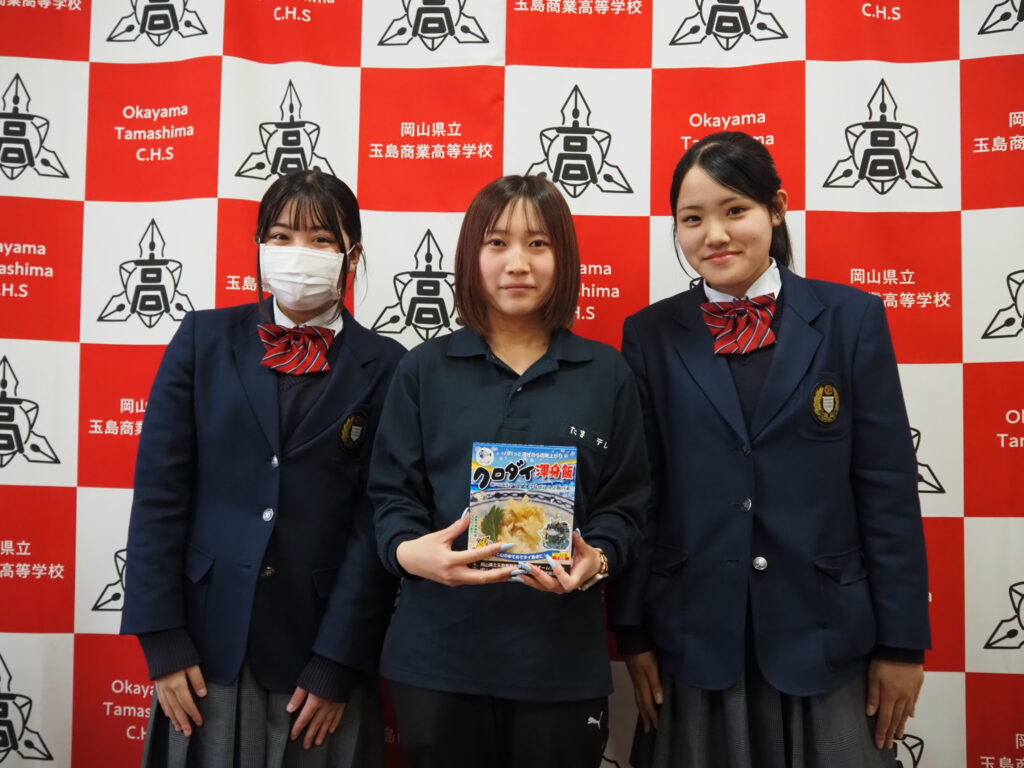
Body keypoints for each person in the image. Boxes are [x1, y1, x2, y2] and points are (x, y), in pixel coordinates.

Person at [607, 131, 931, 768]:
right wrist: (633, 632)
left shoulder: (851, 318)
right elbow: (643, 491)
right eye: (692, 219)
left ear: (776, 208)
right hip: (694, 635)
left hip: (826, 632)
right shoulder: (650, 334)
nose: (715, 235)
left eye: (735, 210)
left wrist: (902, 645)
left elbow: (887, 489)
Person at [121, 169, 405, 767]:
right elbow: (159, 495)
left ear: (352, 255)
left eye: (321, 240)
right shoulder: (203, 339)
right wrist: (162, 639)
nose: (299, 253)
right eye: (281, 236)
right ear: (259, 247)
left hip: (318, 653)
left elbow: (376, 524)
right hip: (205, 646)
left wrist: (338, 661)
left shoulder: (387, 366)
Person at [369, 174, 650, 768]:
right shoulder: (423, 370)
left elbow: (627, 504)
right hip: (437, 660)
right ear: (471, 257)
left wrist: (598, 559)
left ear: (563, 257)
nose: (517, 263)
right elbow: (391, 496)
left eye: (538, 244)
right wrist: (410, 553)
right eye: (497, 243)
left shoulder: (607, 373)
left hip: (559, 663)